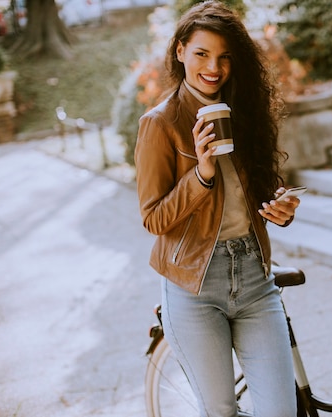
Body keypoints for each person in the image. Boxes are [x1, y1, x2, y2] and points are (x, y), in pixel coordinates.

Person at [134, 1, 300, 416]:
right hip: (194, 287)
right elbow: (153, 217)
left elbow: (260, 190)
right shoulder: (161, 123)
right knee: (221, 411)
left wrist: (280, 207)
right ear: (179, 52)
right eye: (201, 54)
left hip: (254, 278)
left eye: (225, 57)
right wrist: (201, 174)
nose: (214, 67)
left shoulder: (245, 111)